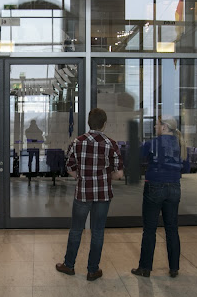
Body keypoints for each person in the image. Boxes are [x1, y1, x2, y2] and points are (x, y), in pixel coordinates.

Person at [56, 108, 124, 281]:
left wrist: (81, 176)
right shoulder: (111, 144)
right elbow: (119, 174)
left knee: (76, 230)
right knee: (98, 231)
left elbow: (69, 167)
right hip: (103, 194)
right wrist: (105, 176)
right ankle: (92, 270)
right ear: (104, 124)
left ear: (88, 123)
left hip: (83, 193)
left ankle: (69, 265)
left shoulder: (77, 142)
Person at [132, 115, 189, 278]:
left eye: (157, 125)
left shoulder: (152, 143)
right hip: (174, 188)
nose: (155, 127)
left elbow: (136, 157)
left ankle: (145, 268)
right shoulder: (181, 144)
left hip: (154, 187)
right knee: (172, 228)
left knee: (149, 229)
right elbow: (186, 167)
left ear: (164, 127)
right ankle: (174, 268)